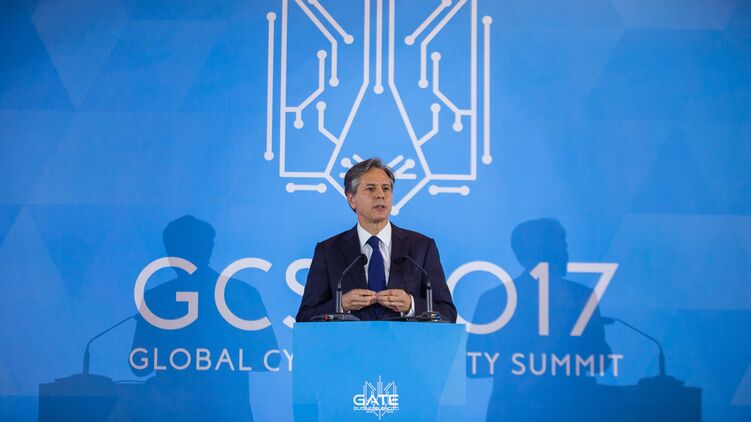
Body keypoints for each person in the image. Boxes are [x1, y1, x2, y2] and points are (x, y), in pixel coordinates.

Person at [468, 218, 611, 421]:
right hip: (514, 414)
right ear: (540, 251)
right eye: (561, 246)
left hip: (573, 412)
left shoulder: (581, 297)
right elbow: (474, 365)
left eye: (565, 246)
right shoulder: (495, 300)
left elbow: (601, 363)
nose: (566, 254)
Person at [296, 158, 457, 322]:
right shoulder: (329, 251)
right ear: (352, 199)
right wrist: (341, 304)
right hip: (350, 339)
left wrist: (411, 305)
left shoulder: (421, 247)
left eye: (386, 188)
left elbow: (448, 314)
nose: (380, 194)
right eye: (370, 188)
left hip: (405, 339)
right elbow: (305, 317)